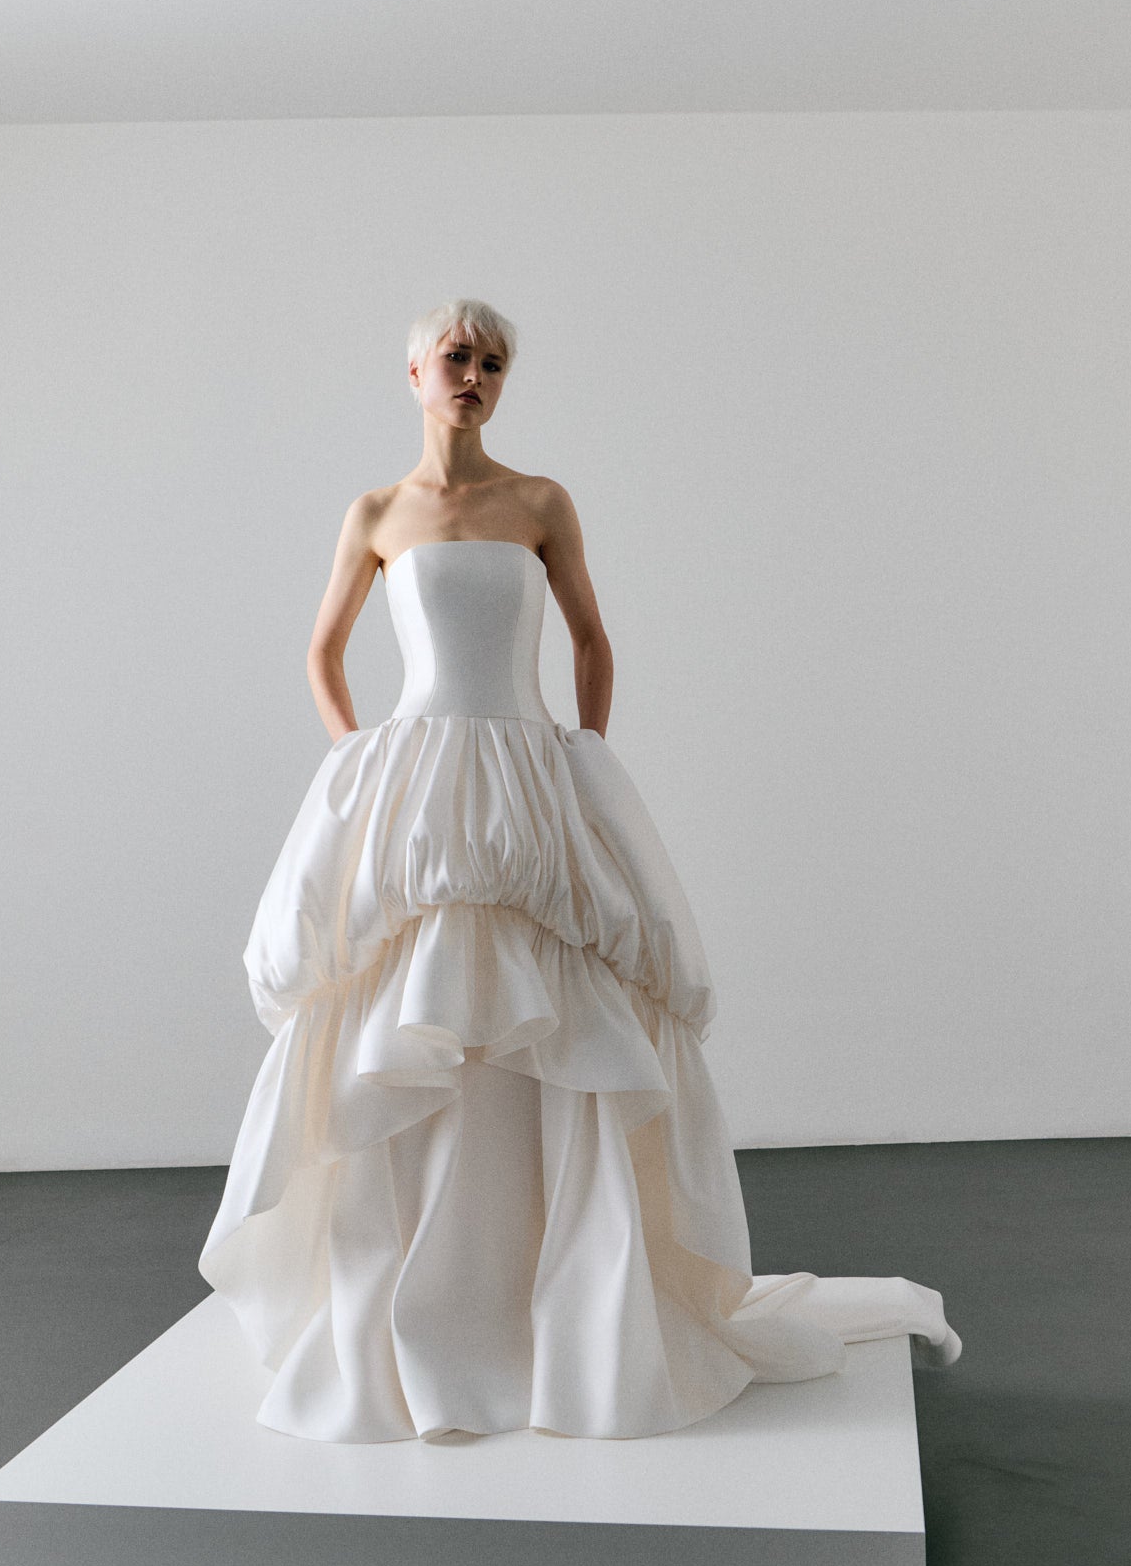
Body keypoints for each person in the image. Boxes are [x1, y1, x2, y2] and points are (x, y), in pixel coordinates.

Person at [197, 299, 960, 1442]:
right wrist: (359, 760)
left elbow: (592, 638)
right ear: (413, 370)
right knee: (405, 1014)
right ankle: (419, 1314)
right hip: (416, 778)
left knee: (562, 1013)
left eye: (494, 362)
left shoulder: (539, 500)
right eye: (458, 356)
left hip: (526, 768)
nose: (477, 375)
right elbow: (321, 650)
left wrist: (581, 757)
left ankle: (566, 1308)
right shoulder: (375, 510)